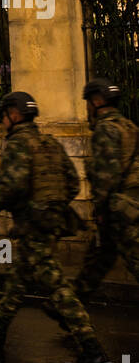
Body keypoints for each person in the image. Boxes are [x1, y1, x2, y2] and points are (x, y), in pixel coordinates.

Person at [0, 90, 107, 363]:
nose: (2, 120)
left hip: (34, 223)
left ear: (15, 115)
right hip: (53, 220)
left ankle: (93, 352)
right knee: (21, 275)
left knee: (57, 287)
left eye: (4, 114)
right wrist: (53, 204)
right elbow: (72, 182)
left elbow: (13, 185)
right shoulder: (49, 142)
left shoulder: (18, 143)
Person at [72, 77, 139, 298]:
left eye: (88, 102)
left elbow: (106, 175)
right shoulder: (129, 126)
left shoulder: (106, 129)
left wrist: (100, 209)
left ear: (97, 101)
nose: (87, 108)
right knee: (99, 256)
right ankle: (70, 307)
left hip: (121, 208)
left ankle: (70, 306)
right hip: (130, 203)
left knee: (131, 257)